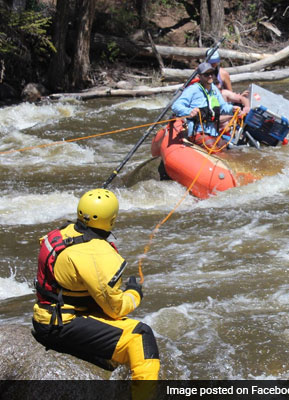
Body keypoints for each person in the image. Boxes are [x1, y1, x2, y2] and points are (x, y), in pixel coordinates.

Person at [32, 188, 160, 380]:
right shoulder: (95, 253)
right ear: (111, 219)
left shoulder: (61, 232)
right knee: (141, 335)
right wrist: (134, 293)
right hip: (60, 325)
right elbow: (115, 309)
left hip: (48, 315)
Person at [172, 62, 240, 148]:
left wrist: (232, 109)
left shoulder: (214, 89)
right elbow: (175, 106)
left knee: (226, 149)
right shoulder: (192, 90)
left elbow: (223, 107)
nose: (210, 76)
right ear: (200, 76)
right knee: (214, 149)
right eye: (206, 74)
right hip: (198, 131)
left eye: (211, 73)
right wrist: (189, 111)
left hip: (213, 131)